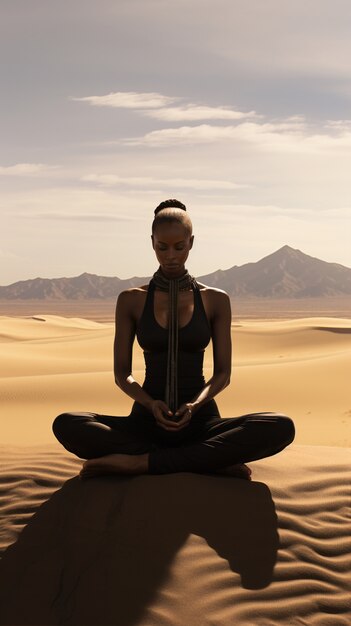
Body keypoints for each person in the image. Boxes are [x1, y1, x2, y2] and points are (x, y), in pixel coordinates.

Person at [52, 199, 295, 480]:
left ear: (191, 242)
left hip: (201, 421)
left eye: (179, 247)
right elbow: (122, 374)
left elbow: (223, 374)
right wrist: (150, 404)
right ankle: (206, 460)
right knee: (67, 424)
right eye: (161, 247)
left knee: (280, 426)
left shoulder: (215, 300)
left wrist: (194, 405)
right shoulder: (131, 300)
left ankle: (140, 463)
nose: (171, 256)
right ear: (151, 242)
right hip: (145, 421)